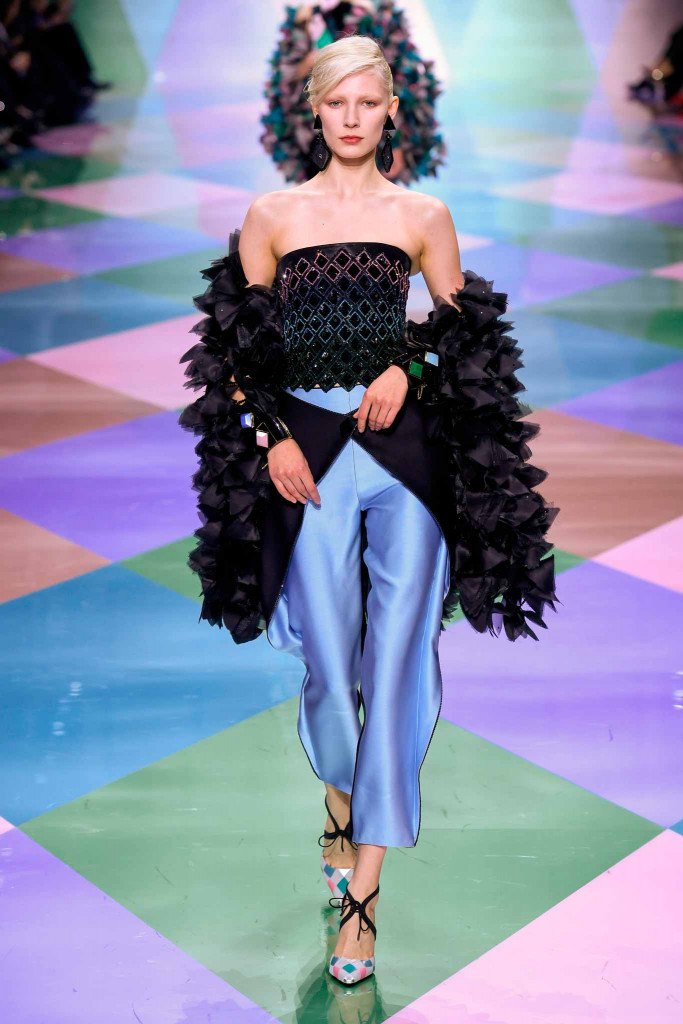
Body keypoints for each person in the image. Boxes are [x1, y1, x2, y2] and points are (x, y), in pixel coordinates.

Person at [179, 34, 559, 986]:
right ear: (314, 111)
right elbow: (236, 352)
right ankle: (341, 800)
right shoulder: (271, 216)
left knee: (395, 665)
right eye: (335, 102)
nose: (351, 118)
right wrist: (271, 439)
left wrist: (406, 364)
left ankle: (364, 899)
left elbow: (468, 331)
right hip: (306, 460)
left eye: (367, 102)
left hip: (404, 461)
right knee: (327, 657)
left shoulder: (422, 215)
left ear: (392, 110)